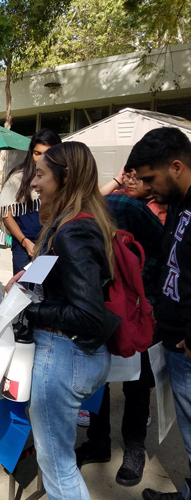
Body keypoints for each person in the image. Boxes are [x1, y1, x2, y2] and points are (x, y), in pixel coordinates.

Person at [22, 141, 120, 500]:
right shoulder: (77, 221)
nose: (34, 181)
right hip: (73, 355)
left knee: (59, 467)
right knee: (59, 461)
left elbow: (87, 314)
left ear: (65, 178)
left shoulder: (74, 230)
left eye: (42, 174)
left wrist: (27, 309)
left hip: (65, 356)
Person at [76, 193, 165, 487]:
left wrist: (137, 280)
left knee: (136, 381)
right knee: (96, 380)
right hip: (93, 311)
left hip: (129, 310)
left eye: (42, 176)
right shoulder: (64, 211)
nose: (36, 183)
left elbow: (163, 245)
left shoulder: (121, 205)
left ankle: (134, 448)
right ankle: (98, 443)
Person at [124, 127, 191, 500]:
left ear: (176, 166)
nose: (146, 186)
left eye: (150, 178)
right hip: (170, 332)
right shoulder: (179, 202)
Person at [0, 128, 62, 274]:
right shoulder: (18, 178)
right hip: (24, 246)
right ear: (31, 153)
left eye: (47, 153)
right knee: (23, 291)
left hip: (53, 243)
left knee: (48, 291)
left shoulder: (62, 178)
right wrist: (24, 241)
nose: (42, 158)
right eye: (37, 153)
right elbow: (6, 215)